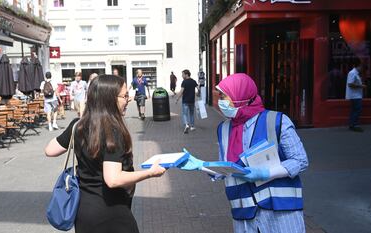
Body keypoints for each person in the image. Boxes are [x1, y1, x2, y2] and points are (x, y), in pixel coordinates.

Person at [179, 73, 309, 233]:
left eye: (224, 96)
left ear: (239, 95)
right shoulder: (224, 128)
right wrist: (201, 166)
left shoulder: (277, 121)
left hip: (280, 212)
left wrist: (266, 173)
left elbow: (300, 160)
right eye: (219, 96)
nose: (220, 102)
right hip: (244, 213)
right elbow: (227, 167)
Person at [44, 74, 166, 233]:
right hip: (112, 215)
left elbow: (50, 150)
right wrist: (150, 173)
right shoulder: (113, 132)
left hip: (84, 214)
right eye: (125, 96)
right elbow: (113, 179)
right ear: (109, 99)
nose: (128, 100)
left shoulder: (77, 126)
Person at [175, 69, 200, 134]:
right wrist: (197, 93)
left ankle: (186, 124)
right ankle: (192, 126)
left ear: (186, 74)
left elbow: (181, 91)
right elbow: (198, 89)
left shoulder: (184, 82)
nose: (182, 76)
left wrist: (177, 99)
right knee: (191, 113)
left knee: (184, 114)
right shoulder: (193, 81)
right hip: (192, 100)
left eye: (183, 74)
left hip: (185, 101)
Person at [345, 59, 366, 132]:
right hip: (355, 96)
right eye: (361, 67)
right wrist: (361, 86)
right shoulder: (353, 73)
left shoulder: (355, 73)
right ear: (359, 66)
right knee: (357, 110)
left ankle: (352, 125)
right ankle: (355, 125)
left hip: (356, 95)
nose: (362, 68)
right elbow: (350, 84)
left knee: (354, 110)